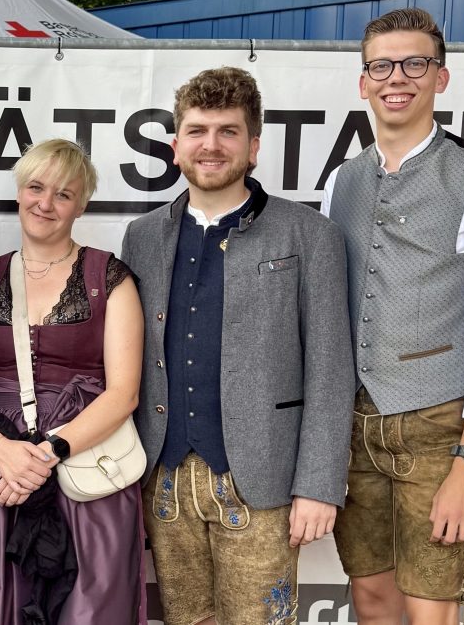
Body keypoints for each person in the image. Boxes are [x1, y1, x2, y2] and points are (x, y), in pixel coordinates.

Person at [121, 67, 355, 625]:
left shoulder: (309, 235)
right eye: (198, 131)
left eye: (228, 132)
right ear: (175, 146)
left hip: (262, 478)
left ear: (253, 146)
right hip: (165, 480)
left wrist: (320, 485)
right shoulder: (143, 236)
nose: (211, 145)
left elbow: (330, 368)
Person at [323, 7, 464, 625]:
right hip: (352, 426)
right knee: (371, 601)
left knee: (432, 609)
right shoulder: (340, 181)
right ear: (363, 81)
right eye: (381, 65)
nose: (397, 77)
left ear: (441, 78)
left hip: (435, 427)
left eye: (414, 63)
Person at [0, 138, 147, 624]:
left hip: (85, 469)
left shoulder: (109, 277)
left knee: (89, 610)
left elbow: (124, 393)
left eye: (63, 194)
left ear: (82, 205)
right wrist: (3, 452)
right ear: (18, 191)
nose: (45, 203)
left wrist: (49, 453)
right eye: (36, 187)